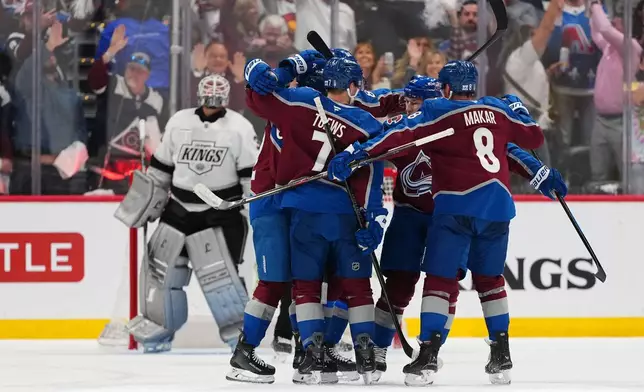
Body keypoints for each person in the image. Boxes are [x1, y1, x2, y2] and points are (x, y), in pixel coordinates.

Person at [326, 60, 547, 386]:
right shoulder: (488, 111)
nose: (414, 107)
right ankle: (380, 348)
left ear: (442, 92)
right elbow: (524, 138)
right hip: (416, 216)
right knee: (402, 285)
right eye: (410, 100)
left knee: (445, 284)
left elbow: (511, 149)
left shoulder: (436, 114)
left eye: (419, 101)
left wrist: (358, 152)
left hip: (449, 213)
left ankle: (431, 351)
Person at [242, 52, 386, 384]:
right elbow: (375, 169)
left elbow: (257, 96)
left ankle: (311, 353)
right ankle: (362, 352)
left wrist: (272, 70)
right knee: (355, 284)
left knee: (304, 285)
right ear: (352, 85)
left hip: (300, 210)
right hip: (344, 214)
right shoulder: (366, 123)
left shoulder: (299, 102)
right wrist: (374, 219)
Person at [113, 74, 258, 353]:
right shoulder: (179, 121)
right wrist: (148, 201)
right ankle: (158, 327)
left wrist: (253, 212)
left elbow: (249, 179)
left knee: (221, 278)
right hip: (178, 208)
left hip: (221, 212)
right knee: (162, 272)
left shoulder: (240, 127)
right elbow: (161, 168)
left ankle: (238, 334)